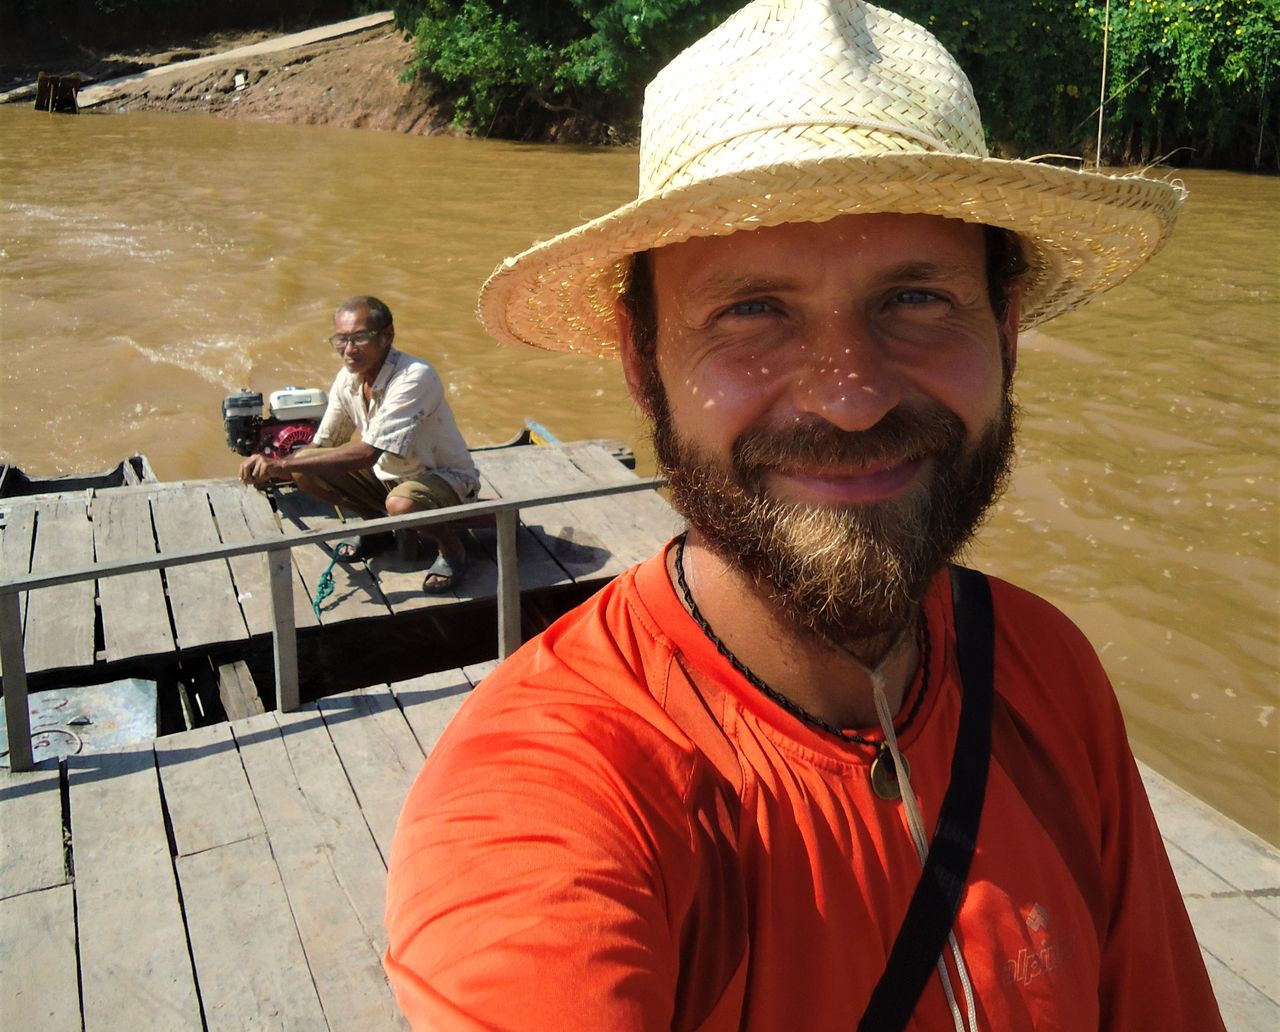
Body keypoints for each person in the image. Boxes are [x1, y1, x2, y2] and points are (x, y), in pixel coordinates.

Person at [385, 1, 1225, 1029]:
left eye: (914, 299)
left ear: (1003, 332)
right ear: (641, 362)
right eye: (752, 311)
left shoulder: (1046, 672)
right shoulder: (548, 788)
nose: (850, 396)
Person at [239, 295, 479, 593]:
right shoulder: (347, 379)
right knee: (306, 469)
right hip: (388, 477)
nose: (349, 350)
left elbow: (367, 454)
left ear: (387, 335)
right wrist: (271, 464)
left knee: (402, 503)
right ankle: (375, 527)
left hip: (445, 479)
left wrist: (281, 463)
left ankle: (452, 549)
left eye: (360, 338)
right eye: (341, 339)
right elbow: (323, 444)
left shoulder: (415, 377)